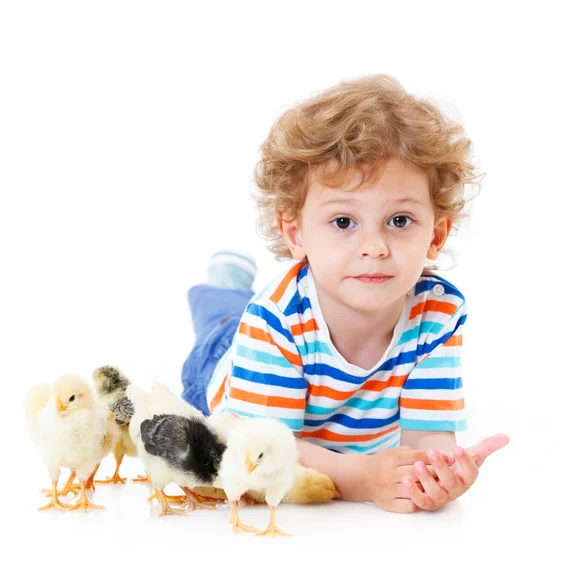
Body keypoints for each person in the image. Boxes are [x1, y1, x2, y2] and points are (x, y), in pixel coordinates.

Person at [181, 74, 509, 513]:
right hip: (227, 369)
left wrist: (438, 473)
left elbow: (426, 436)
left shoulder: (439, 313)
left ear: (437, 235)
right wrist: (360, 479)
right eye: (343, 223)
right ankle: (223, 287)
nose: (374, 247)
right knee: (223, 320)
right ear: (295, 233)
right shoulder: (275, 319)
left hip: (300, 378)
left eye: (399, 221)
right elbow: (267, 452)